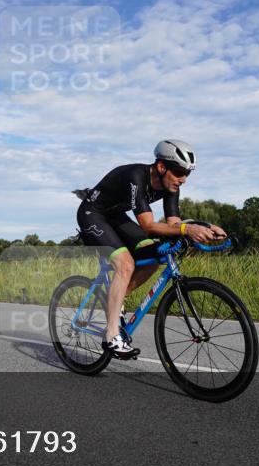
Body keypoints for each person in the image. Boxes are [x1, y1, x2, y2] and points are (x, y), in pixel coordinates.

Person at [74, 140, 227, 359]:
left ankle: (116, 304)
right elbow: (147, 225)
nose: (182, 179)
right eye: (178, 172)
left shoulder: (171, 186)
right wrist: (187, 229)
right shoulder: (137, 176)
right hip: (93, 214)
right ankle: (111, 335)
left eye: (187, 174)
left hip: (116, 216)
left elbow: (175, 224)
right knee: (125, 264)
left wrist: (204, 227)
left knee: (155, 255)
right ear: (161, 166)